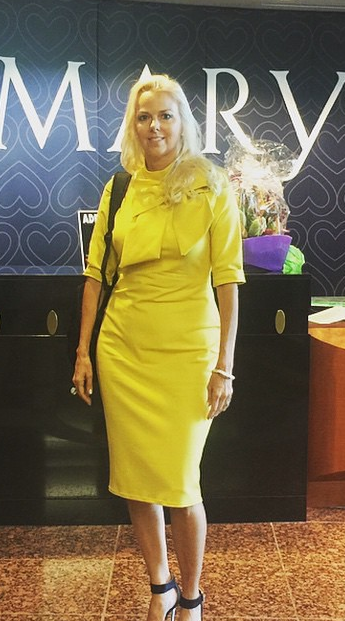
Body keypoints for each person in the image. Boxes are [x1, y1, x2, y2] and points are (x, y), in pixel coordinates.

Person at [72, 74, 245, 621]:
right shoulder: (119, 188)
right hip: (124, 348)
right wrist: (82, 352)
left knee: (181, 482)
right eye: (144, 117)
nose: (155, 126)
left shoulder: (212, 185)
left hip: (190, 351)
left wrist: (225, 367)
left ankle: (191, 596)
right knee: (136, 479)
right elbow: (96, 275)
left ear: (182, 122)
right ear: (133, 125)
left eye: (166, 115)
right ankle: (160, 586)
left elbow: (228, 282)